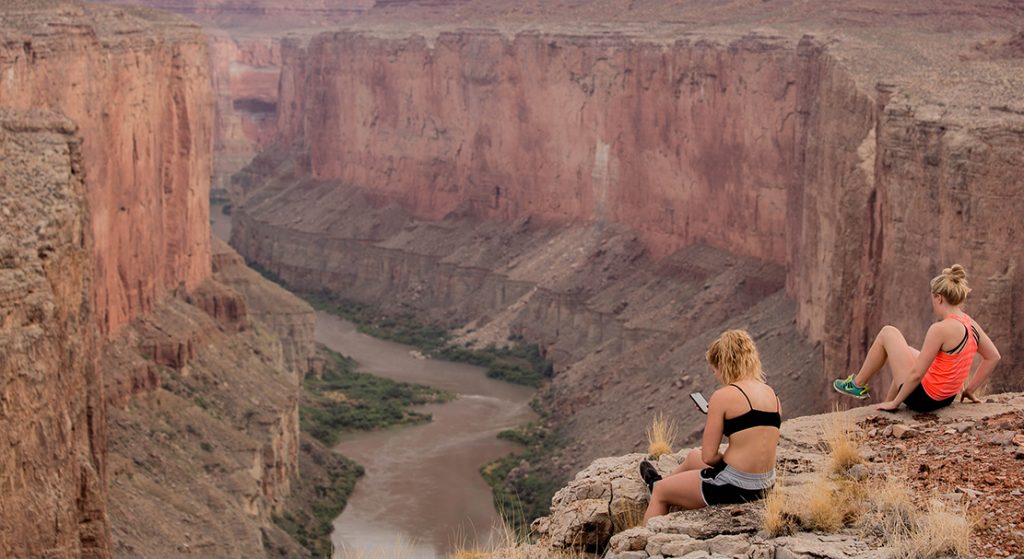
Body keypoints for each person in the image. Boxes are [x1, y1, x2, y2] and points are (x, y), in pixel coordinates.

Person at [639, 330, 781, 523]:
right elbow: (754, 430)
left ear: (723, 364)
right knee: (692, 457)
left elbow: (709, 456)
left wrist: (716, 416)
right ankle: (663, 482)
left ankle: (655, 494)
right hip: (765, 484)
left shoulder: (723, 396)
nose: (717, 376)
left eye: (715, 370)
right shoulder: (772, 394)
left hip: (734, 486)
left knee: (661, 492)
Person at [833, 264, 1001, 412]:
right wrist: (970, 390)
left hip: (924, 400)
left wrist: (897, 403)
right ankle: (887, 401)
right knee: (908, 352)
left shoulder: (940, 329)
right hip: (946, 397)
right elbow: (993, 356)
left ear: (939, 298)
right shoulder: (969, 322)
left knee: (888, 332)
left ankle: (857, 385)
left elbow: (916, 374)